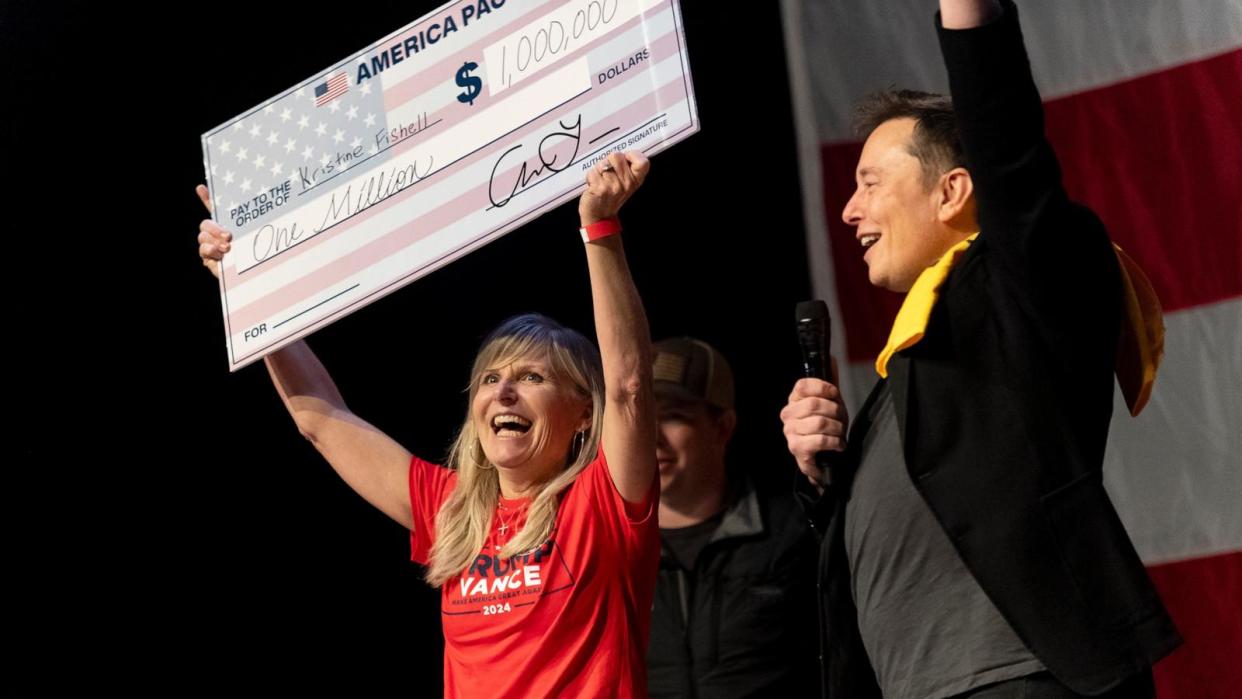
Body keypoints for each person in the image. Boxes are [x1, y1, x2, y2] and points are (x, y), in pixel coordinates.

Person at [779, 1, 1181, 697]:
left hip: (1022, 680)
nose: (849, 210)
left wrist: (969, 16)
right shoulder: (907, 372)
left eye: (870, 183)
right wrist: (822, 482)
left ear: (954, 191)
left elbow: (1009, 145)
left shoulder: (1027, 286)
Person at [196, 152, 663, 697]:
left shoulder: (603, 505)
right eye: (489, 379)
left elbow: (629, 387)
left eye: (532, 377)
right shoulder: (451, 508)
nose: (503, 392)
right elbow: (319, 418)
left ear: (585, 411)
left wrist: (600, 227)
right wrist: (249, 289)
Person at [646, 338, 818, 698]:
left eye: (673, 416)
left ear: (722, 427)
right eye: (639, 422)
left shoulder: (795, 532)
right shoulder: (609, 554)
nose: (652, 439)